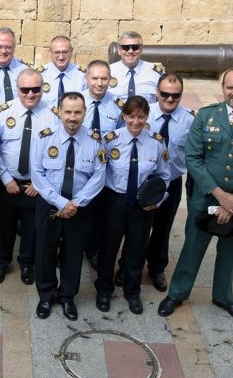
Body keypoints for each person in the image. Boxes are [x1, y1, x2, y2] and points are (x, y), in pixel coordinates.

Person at [159, 68, 233, 321]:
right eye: (230, 87)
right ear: (223, 88)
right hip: (205, 196)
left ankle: (223, 297)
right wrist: (219, 195)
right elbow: (193, 158)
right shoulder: (205, 115)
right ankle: (177, 293)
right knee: (192, 246)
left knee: (230, 249)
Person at [31, 93, 106, 320]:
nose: (72, 118)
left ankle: (66, 297)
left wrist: (76, 203)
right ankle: (45, 295)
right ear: (59, 112)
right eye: (68, 112)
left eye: (77, 112)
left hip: (80, 208)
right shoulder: (44, 138)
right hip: (50, 205)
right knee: (45, 251)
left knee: (73, 253)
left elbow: (98, 176)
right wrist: (61, 203)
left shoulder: (95, 141)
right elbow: (37, 174)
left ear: (85, 113)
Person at [95, 96, 170, 315]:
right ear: (123, 116)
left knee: (137, 249)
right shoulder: (110, 140)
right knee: (108, 248)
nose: (135, 122)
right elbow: (99, 172)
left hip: (142, 205)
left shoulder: (156, 142)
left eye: (141, 117)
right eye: (131, 116)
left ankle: (132, 292)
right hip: (114, 201)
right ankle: (104, 290)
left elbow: (164, 176)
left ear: (147, 117)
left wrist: (156, 200)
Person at [0, 68, 57, 284]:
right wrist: (5, 177)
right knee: (4, 226)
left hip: (36, 185)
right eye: (25, 89)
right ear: (17, 89)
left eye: (35, 89)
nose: (30, 94)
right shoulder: (2, 113)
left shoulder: (53, 117)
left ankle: (27, 264)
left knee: (31, 229)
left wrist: (40, 184)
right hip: (7, 182)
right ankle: (0, 262)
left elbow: (56, 154)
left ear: (42, 89)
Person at [143, 73, 194, 291]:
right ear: (157, 93)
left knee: (163, 228)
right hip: (144, 181)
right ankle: (128, 266)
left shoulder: (190, 120)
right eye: (165, 94)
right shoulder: (144, 115)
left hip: (170, 182)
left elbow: (194, 154)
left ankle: (156, 268)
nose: (170, 99)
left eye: (175, 95)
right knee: (138, 227)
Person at [81, 60, 124, 269]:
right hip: (80, 166)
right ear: (86, 78)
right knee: (80, 211)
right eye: (95, 78)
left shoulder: (117, 106)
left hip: (106, 169)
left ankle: (94, 249)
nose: (99, 83)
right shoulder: (76, 102)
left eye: (104, 78)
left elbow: (123, 136)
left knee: (100, 213)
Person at [109, 31, 163, 103]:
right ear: (119, 50)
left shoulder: (156, 73)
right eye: (126, 47)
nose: (130, 51)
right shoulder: (108, 71)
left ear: (141, 49)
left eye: (135, 47)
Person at [36, 36, 85, 107]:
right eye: (57, 52)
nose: (61, 57)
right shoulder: (40, 76)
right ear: (50, 52)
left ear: (71, 51)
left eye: (65, 52)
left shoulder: (82, 76)